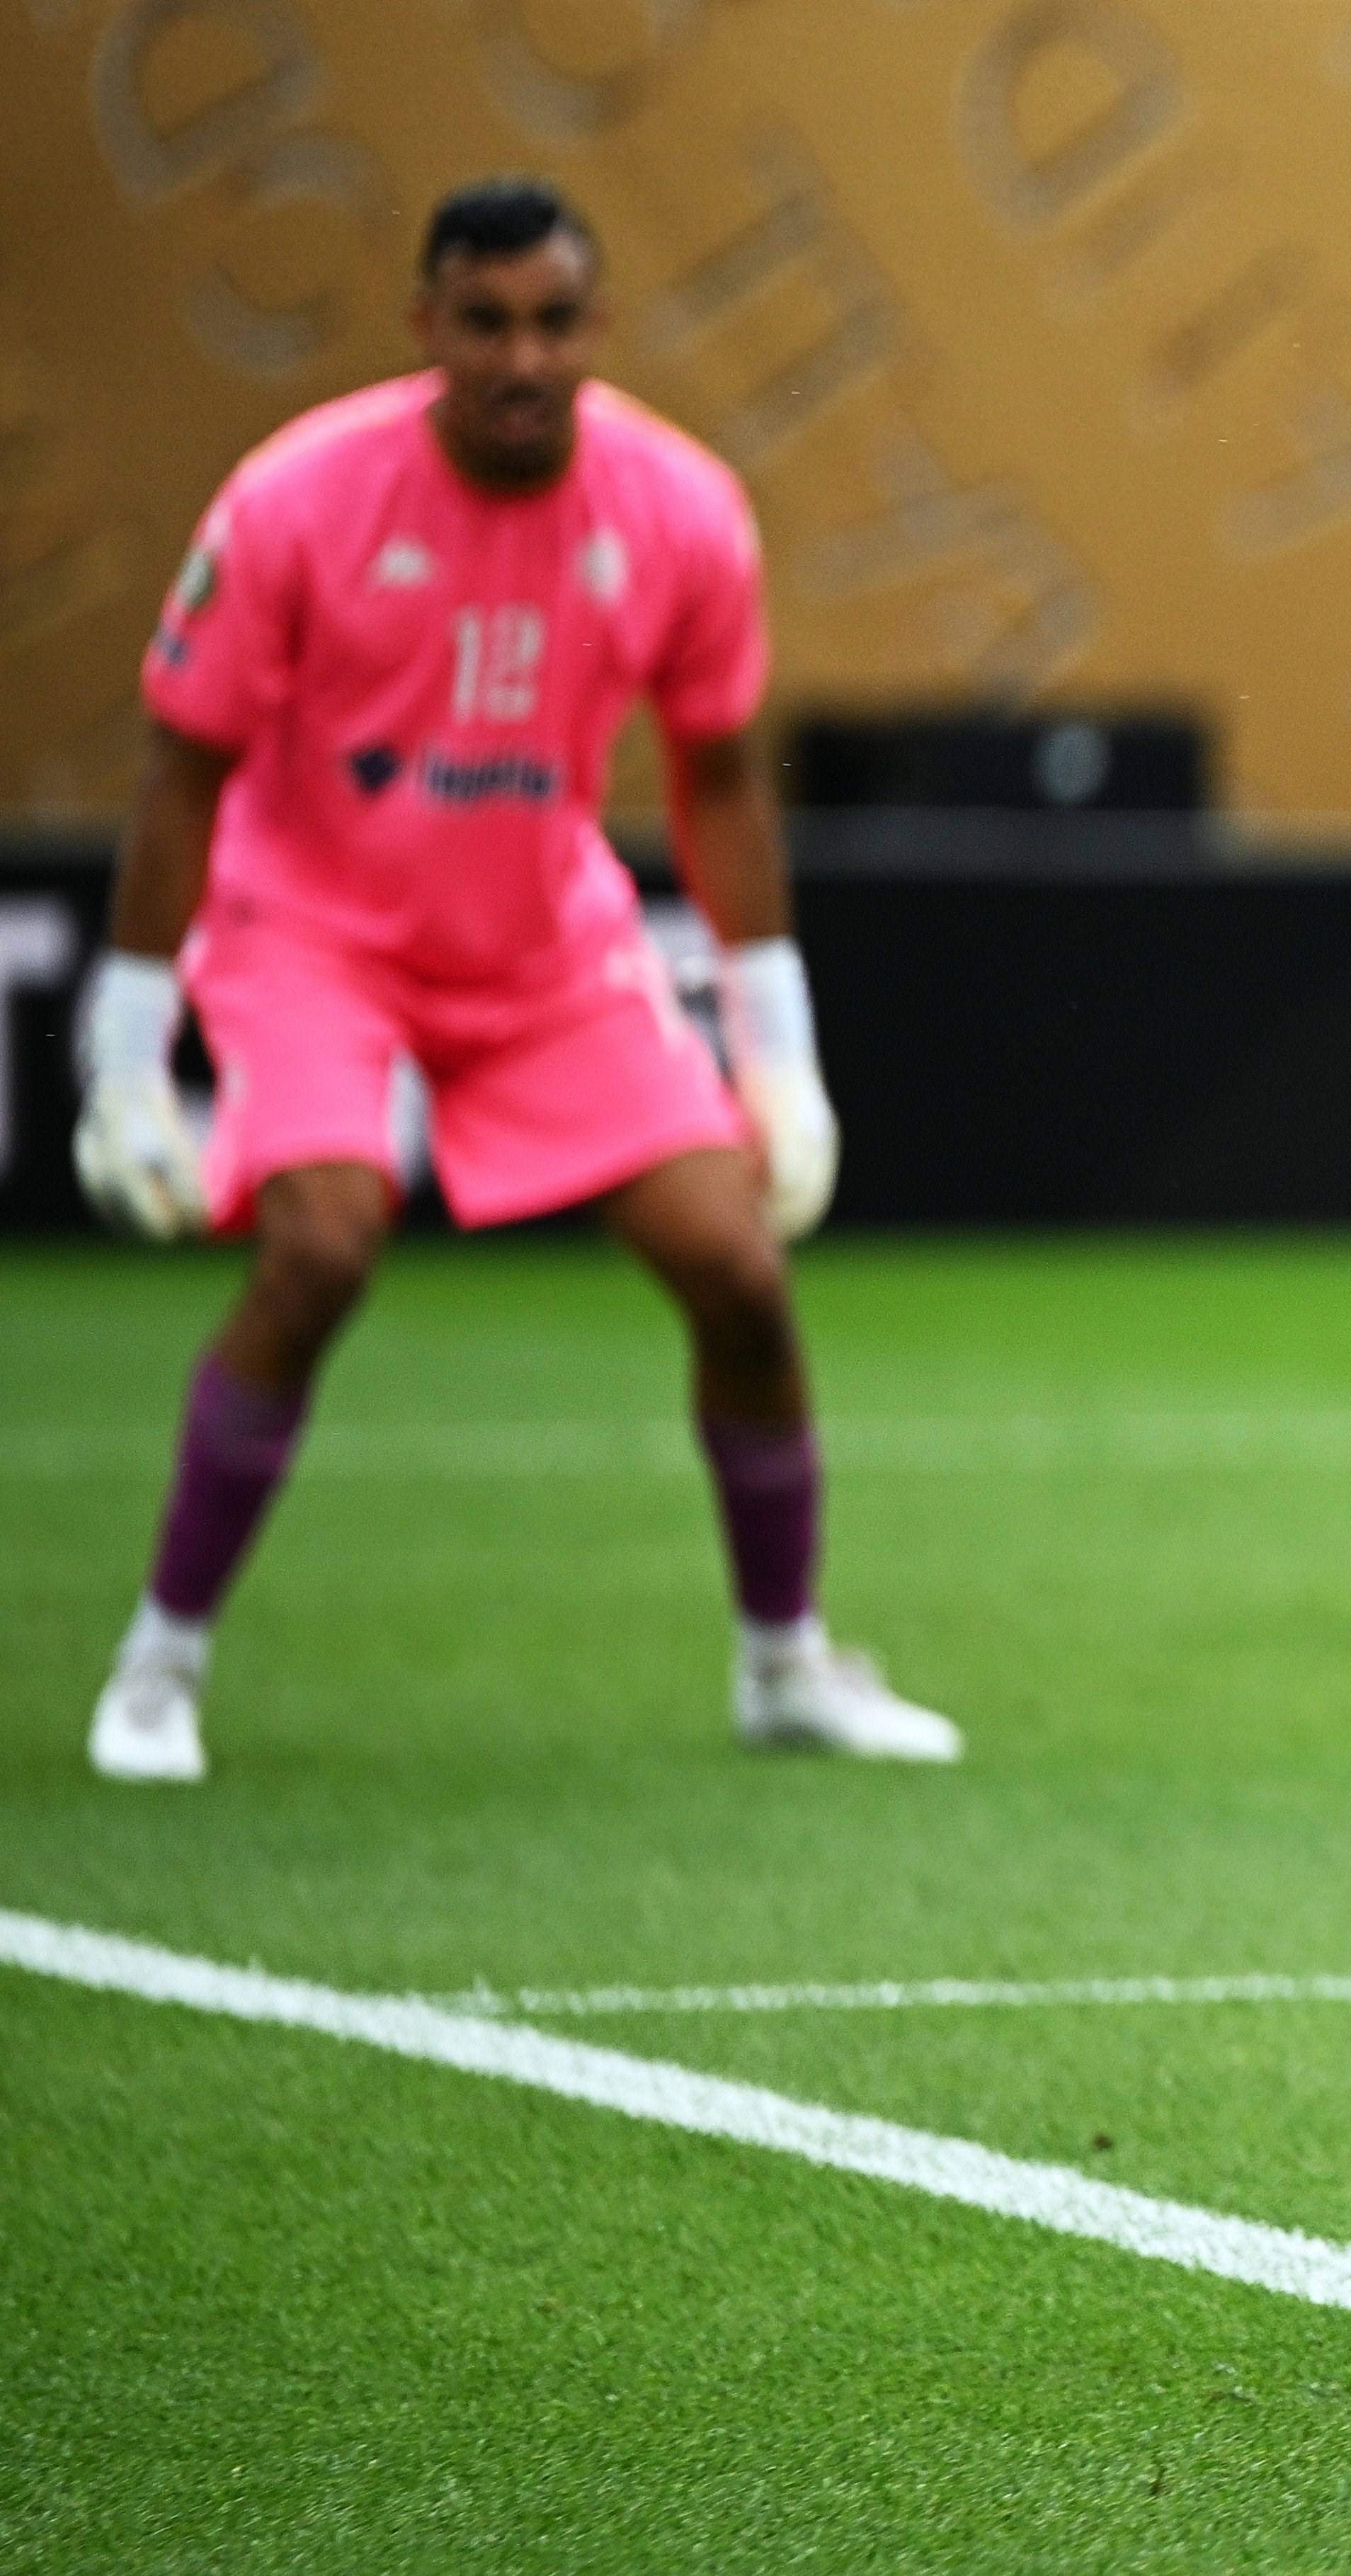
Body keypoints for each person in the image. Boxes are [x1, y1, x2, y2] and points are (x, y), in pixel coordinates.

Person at [72, 177, 958, 1784]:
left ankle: (786, 1661)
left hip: (547, 939)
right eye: (485, 322)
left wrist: (782, 1053)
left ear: (596, 328)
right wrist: (127, 1053)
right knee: (325, 1242)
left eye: (554, 321)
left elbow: (721, 780)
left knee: (738, 1271)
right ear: (426, 330)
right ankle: (157, 1663)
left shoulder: (680, 507)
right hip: (313, 933)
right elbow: (186, 769)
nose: (522, 358)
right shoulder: (294, 497)